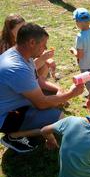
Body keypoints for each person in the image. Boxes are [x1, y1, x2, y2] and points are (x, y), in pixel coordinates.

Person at [0, 23, 84, 153]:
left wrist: (58, 91)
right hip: (7, 117)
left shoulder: (21, 55)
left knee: (55, 102)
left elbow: (37, 81)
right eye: (43, 44)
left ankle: (29, 128)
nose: (45, 48)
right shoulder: (17, 68)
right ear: (32, 42)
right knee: (61, 119)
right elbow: (41, 104)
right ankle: (13, 135)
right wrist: (70, 94)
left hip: (13, 105)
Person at [0, 14, 56, 80]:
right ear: (10, 31)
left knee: (45, 64)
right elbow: (20, 68)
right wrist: (42, 59)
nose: (24, 31)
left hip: (24, 69)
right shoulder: (5, 45)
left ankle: (39, 84)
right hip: (13, 74)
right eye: (20, 29)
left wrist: (47, 58)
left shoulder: (26, 38)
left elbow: (35, 53)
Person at [70, 8, 90, 93]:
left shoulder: (80, 36)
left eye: (76, 21)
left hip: (86, 66)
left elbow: (80, 55)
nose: (76, 23)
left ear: (80, 22)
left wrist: (73, 51)